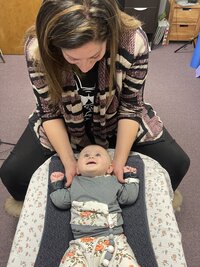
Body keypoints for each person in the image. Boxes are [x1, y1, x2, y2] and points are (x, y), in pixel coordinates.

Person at [0, 0, 190, 216]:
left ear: (110, 36)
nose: (84, 66)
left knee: (177, 163)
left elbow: (130, 106)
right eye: (72, 58)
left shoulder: (133, 40)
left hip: (117, 113)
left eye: (95, 56)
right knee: (13, 175)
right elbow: (49, 112)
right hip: (63, 117)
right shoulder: (37, 48)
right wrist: (69, 162)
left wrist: (118, 162)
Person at [49, 144, 140, 267]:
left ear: (109, 168)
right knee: (71, 262)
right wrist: (57, 185)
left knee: (126, 262)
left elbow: (128, 197)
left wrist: (130, 177)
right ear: (77, 170)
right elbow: (61, 201)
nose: (91, 156)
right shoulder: (75, 184)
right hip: (82, 244)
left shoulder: (112, 181)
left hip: (113, 240)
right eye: (86, 155)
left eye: (98, 155)